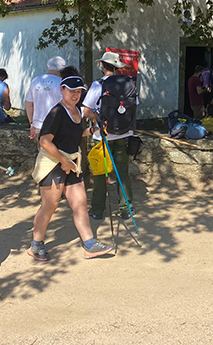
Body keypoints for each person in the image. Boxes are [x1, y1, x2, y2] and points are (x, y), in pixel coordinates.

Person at [28, 75, 113, 261]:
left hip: (71, 161)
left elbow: (75, 133)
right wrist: (62, 161)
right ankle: (36, 244)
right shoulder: (57, 112)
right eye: (72, 91)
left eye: (78, 91)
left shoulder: (76, 111)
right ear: (62, 90)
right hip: (52, 163)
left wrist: (92, 131)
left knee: (80, 202)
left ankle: (89, 244)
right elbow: (44, 141)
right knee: (50, 205)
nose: (76, 95)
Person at [83, 52, 136, 220]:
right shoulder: (128, 84)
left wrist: (98, 117)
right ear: (117, 67)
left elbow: (85, 111)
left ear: (103, 66)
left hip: (102, 135)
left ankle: (98, 210)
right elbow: (133, 107)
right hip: (124, 133)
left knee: (101, 173)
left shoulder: (98, 85)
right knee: (122, 172)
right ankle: (126, 209)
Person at [25, 56, 66, 140]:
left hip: (38, 125)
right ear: (63, 69)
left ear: (47, 68)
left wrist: (31, 123)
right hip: (58, 125)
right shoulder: (63, 83)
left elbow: (29, 103)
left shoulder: (35, 81)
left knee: (42, 151)